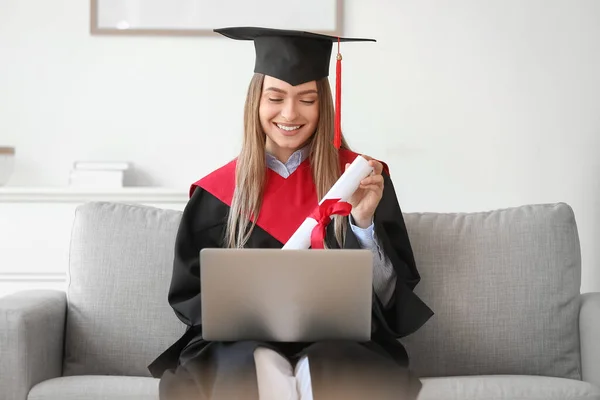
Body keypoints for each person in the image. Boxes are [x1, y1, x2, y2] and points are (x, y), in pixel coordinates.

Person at [148, 26, 434, 400]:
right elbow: (192, 299)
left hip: (339, 343)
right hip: (242, 344)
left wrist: (362, 224)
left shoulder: (361, 180)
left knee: (337, 364)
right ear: (257, 102)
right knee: (247, 364)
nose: (289, 113)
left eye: (307, 99)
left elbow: (387, 300)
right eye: (276, 97)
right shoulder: (216, 193)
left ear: (324, 105)